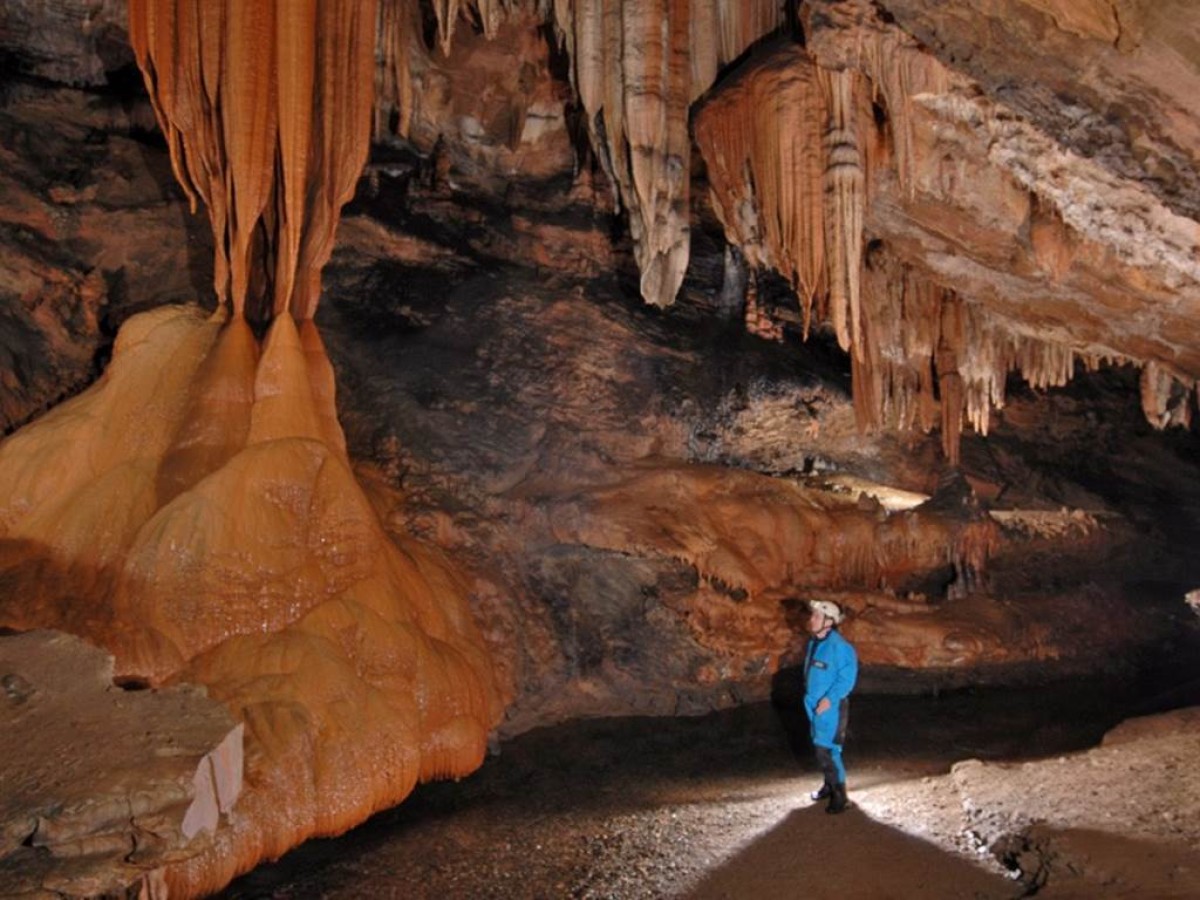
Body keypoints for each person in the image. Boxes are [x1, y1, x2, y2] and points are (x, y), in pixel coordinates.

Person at [803, 599, 858, 813]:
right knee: (820, 746)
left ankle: (840, 795)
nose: (812, 620)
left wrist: (829, 699)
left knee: (827, 751)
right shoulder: (815, 643)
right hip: (814, 704)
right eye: (813, 615)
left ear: (829, 622)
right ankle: (828, 785)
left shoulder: (840, 647)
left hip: (831, 707)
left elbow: (847, 680)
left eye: (816, 616)